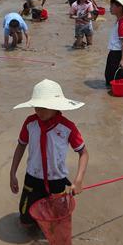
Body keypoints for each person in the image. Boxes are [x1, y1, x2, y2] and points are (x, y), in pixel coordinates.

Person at [9, 79, 89, 227]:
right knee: (26, 221)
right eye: (37, 107)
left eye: (44, 107)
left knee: (57, 222)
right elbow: (20, 146)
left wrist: (78, 180)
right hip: (33, 178)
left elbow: (83, 153)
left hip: (56, 181)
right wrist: (12, 173)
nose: (39, 111)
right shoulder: (30, 123)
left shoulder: (67, 127)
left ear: (55, 106)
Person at [104, 0, 123, 86]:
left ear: (119, 8)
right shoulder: (120, 21)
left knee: (115, 80)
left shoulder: (122, 23)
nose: (110, 8)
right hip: (114, 53)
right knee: (109, 77)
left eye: (112, 6)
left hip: (116, 54)